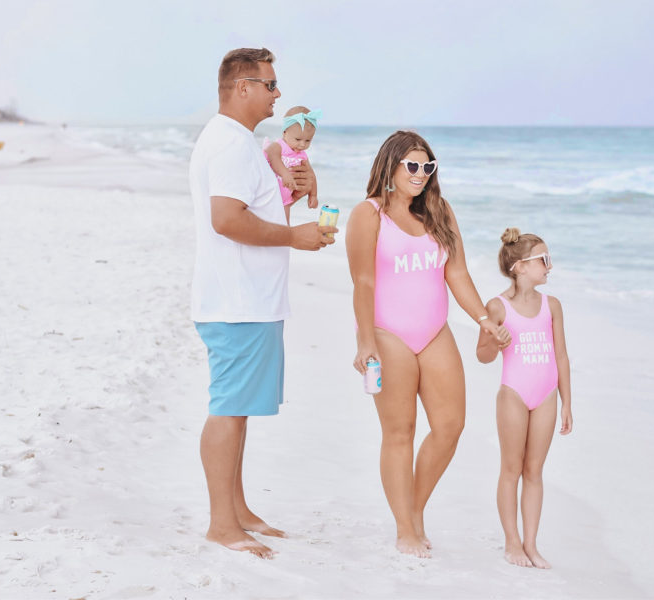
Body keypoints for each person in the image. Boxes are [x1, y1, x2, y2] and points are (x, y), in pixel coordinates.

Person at [188, 48, 338, 559]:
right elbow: (226, 219)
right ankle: (221, 525)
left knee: (240, 409)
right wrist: (294, 237)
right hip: (236, 300)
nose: (279, 94)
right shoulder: (231, 145)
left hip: (249, 298)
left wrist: (292, 199)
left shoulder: (239, 142)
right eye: (271, 85)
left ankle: (238, 510)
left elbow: (253, 208)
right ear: (243, 87)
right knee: (228, 409)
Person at [345, 130, 511, 558]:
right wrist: (366, 342)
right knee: (399, 433)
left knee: (450, 427)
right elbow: (362, 282)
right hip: (388, 334)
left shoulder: (439, 210)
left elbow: (456, 274)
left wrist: (482, 319)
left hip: (435, 332)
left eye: (428, 167)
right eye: (413, 166)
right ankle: (406, 529)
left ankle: (413, 510)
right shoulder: (368, 215)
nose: (421, 174)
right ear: (391, 167)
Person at [476, 228, 573, 569]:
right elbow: (482, 356)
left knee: (535, 471)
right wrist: (496, 342)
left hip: (546, 396)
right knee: (512, 469)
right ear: (519, 266)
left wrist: (567, 403)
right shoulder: (497, 307)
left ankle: (531, 544)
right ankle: (512, 542)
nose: (549, 266)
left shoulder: (552, 306)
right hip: (513, 395)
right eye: (543, 260)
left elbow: (561, 356)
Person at [263, 105, 320, 220]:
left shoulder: (302, 155)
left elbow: (311, 175)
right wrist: (285, 174)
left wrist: (313, 195)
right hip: (268, 196)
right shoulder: (278, 146)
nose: (302, 144)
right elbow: (273, 157)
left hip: (285, 201)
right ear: (285, 132)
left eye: (307, 140)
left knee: (284, 227)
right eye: (298, 139)